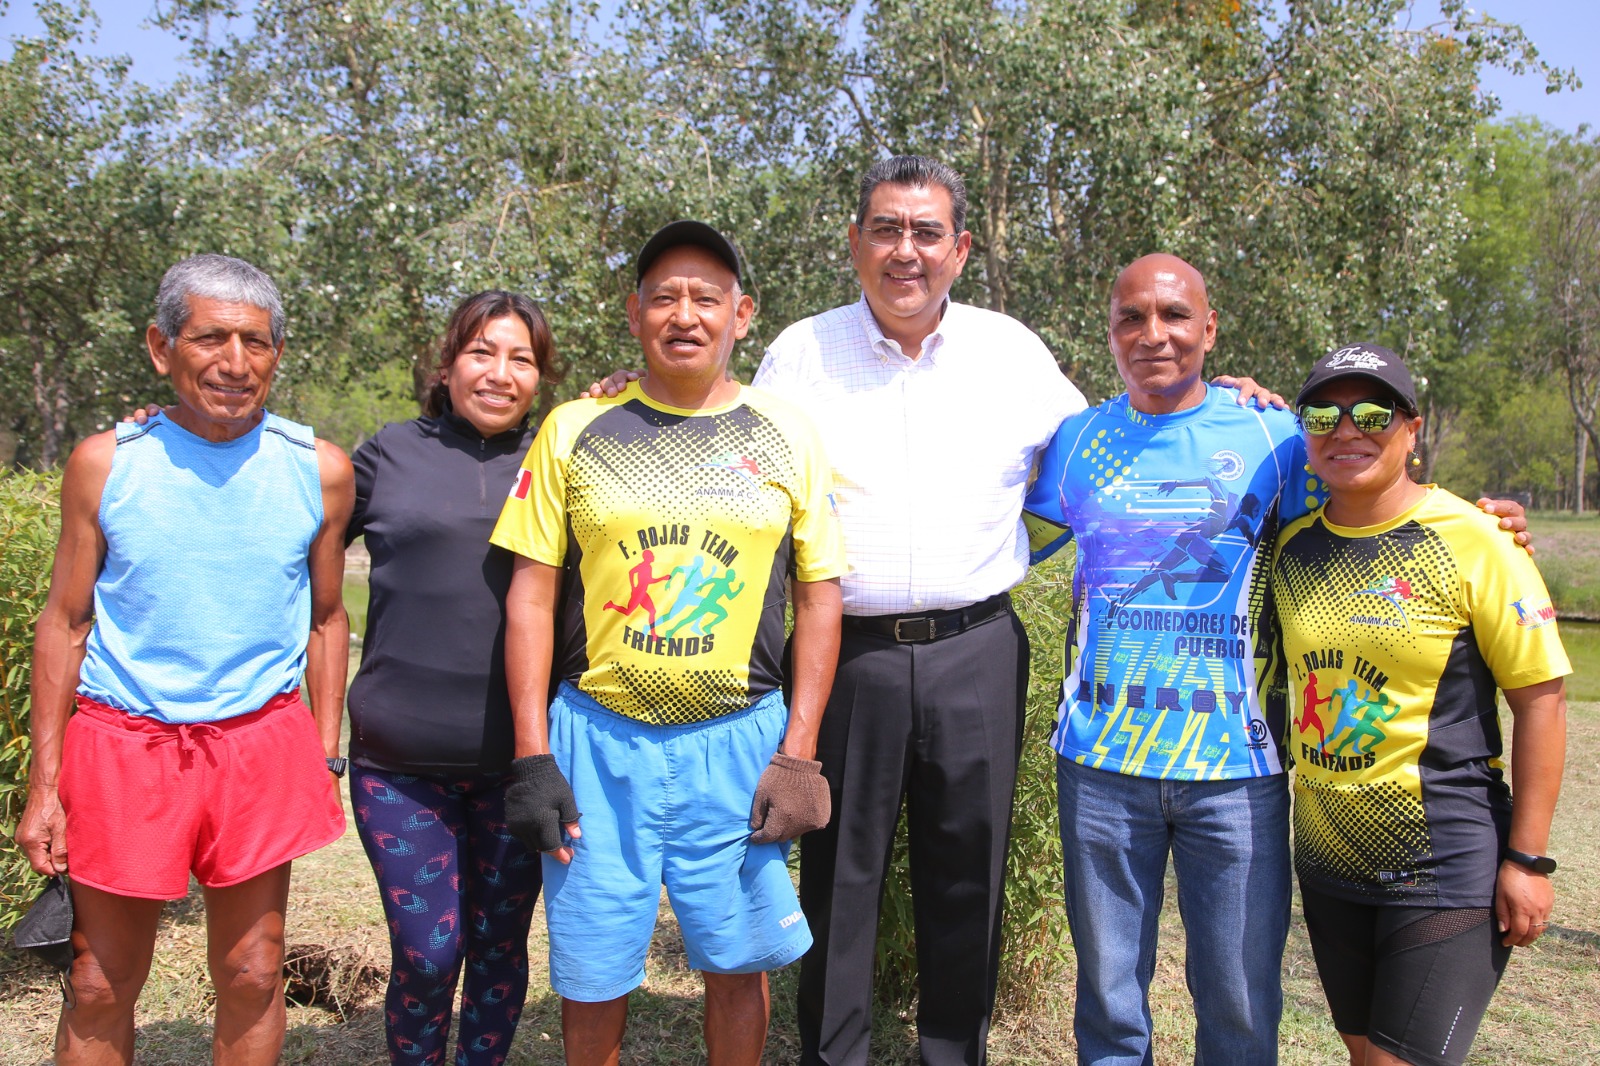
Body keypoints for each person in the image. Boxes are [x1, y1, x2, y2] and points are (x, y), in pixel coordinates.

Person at [1023, 255, 1533, 1066]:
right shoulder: (1076, 443)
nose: (1153, 335)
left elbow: (1374, 485)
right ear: (1110, 331)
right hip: (1097, 765)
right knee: (1111, 1003)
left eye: (1175, 316)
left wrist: (1484, 518)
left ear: (1209, 328)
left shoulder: (1274, 436)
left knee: (1238, 1000)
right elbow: (983, 527)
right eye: (1132, 318)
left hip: (1237, 771)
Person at [490, 220, 845, 1065]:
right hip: (596, 741)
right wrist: (532, 755)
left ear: (742, 314)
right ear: (634, 310)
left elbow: (820, 595)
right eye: (664, 296)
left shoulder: (786, 433)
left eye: (706, 297)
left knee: (737, 962)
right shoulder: (577, 427)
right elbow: (531, 598)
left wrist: (799, 753)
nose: (684, 314)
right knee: (592, 969)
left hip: (738, 738)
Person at [13, 254, 352, 1066]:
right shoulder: (107, 463)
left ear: (277, 353)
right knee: (98, 979)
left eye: (256, 342)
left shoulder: (319, 470)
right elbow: (63, 623)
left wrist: (324, 747)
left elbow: (329, 618)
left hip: (258, 745)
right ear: (162, 348)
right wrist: (45, 786)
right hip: (125, 744)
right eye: (210, 338)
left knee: (253, 972)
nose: (235, 362)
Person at [1273, 343, 1569, 1066]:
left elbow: (1543, 701)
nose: (1347, 430)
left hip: (1442, 863)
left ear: (1414, 429)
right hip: (1327, 860)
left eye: (1372, 413)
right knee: (1366, 1055)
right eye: (1324, 414)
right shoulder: (1290, 548)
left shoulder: (1477, 540)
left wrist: (1528, 859)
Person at [345, 291, 558, 1064]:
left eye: (522, 358)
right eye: (481, 352)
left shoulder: (558, 455)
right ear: (447, 364)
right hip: (398, 765)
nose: (499, 373)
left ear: (541, 377)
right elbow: (283, 534)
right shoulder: (386, 454)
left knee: (498, 950)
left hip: (522, 766)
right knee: (430, 956)